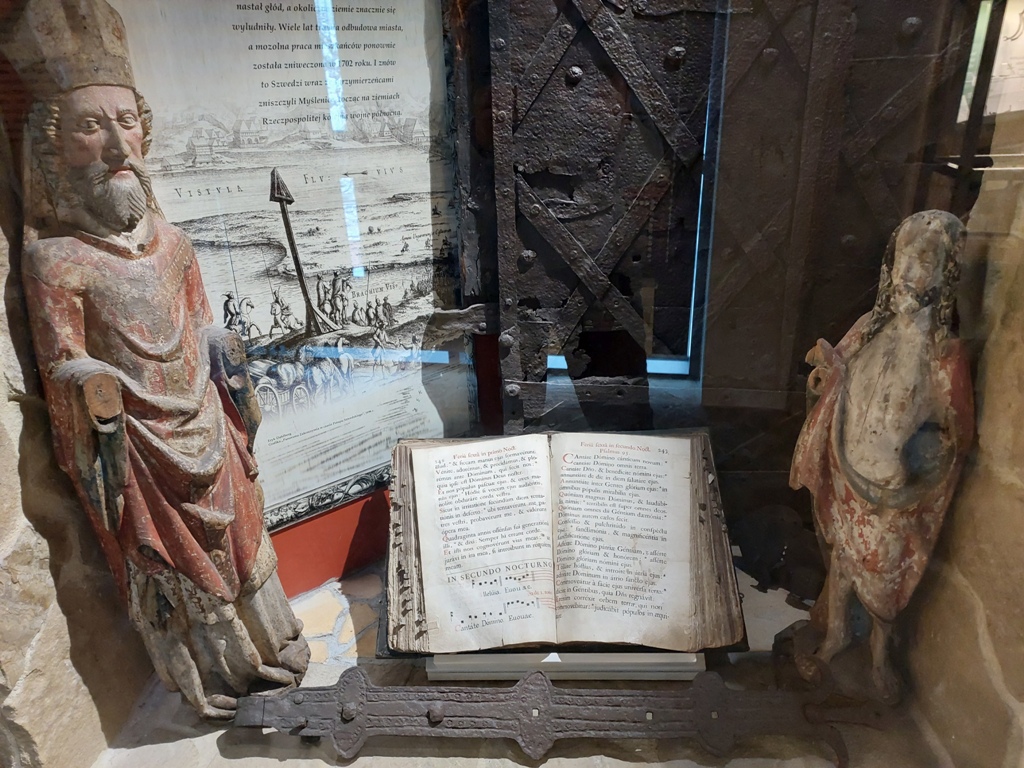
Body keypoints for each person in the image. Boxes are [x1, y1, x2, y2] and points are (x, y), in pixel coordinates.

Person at [8, 0, 308, 718]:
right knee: (170, 557)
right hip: (139, 448)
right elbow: (61, 362)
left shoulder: (174, 243)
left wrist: (223, 349)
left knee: (243, 531)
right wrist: (91, 382)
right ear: (52, 147)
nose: (118, 144)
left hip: (207, 420)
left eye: (127, 121)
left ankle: (272, 637)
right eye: (91, 126)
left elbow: (200, 323)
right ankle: (218, 671)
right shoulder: (56, 261)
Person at [790, 210, 973, 703]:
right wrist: (824, 375)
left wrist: (918, 476)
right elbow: (838, 373)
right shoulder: (868, 328)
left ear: (944, 275)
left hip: (893, 491)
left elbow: (956, 435)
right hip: (846, 473)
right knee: (843, 561)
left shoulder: (943, 354)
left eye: (924, 263)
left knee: (882, 576)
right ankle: (835, 636)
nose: (908, 273)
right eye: (903, 259)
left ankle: (879, 654)